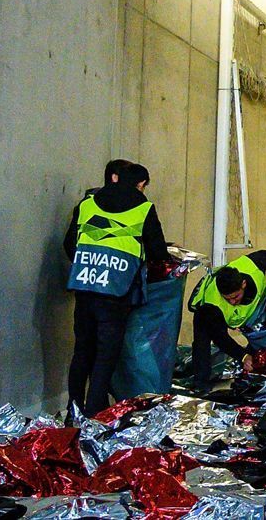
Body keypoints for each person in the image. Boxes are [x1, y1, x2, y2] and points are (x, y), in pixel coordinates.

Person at [63, 161, 166, 414]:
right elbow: (158, 252)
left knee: (82, 351)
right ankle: (95, 412)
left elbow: (69, 244)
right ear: (140, 185)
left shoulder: (87, 204)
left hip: (86, 287)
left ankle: (73, 409)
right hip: (116, 293)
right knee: (105, 355)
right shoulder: (143, 208)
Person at [187, 249, 266, 383]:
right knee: (202, 344)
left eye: (235, 297)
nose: (232, 302)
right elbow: (221, 339)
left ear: (243, 284)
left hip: (253, 308)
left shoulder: (253, 266)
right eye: (227, 299)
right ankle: (201, 384)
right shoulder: (212, 304)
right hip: (207, 316)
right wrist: (243, 356)